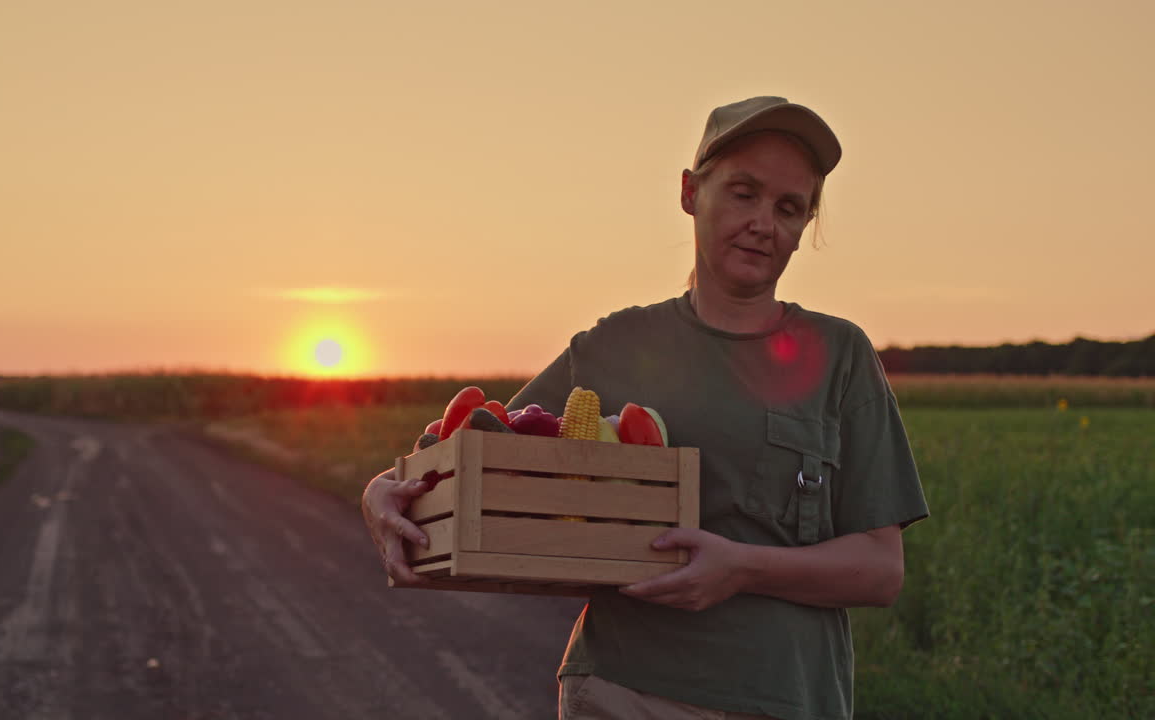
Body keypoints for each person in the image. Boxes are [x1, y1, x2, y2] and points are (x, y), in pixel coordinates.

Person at [361, 96, 929, 720]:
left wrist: (742, 568)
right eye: (744, 192)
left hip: (784, 700)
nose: (764, 222)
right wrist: (379, 492)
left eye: (789, 208)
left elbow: (880, 569)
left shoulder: (839, 354)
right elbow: (480, 455)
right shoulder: (615, 346)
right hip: (621, 694)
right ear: (690, 192)